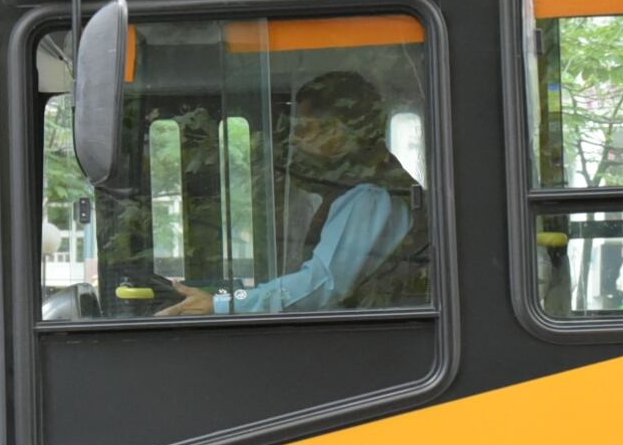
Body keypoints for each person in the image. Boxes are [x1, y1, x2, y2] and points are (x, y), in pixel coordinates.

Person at [159, 69, 425, 316]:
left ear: (341, 132)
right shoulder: (352, 187)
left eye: (305, 129)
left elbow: (322, 285)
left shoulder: (370, 197)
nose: (295, 140)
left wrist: (222, 305)